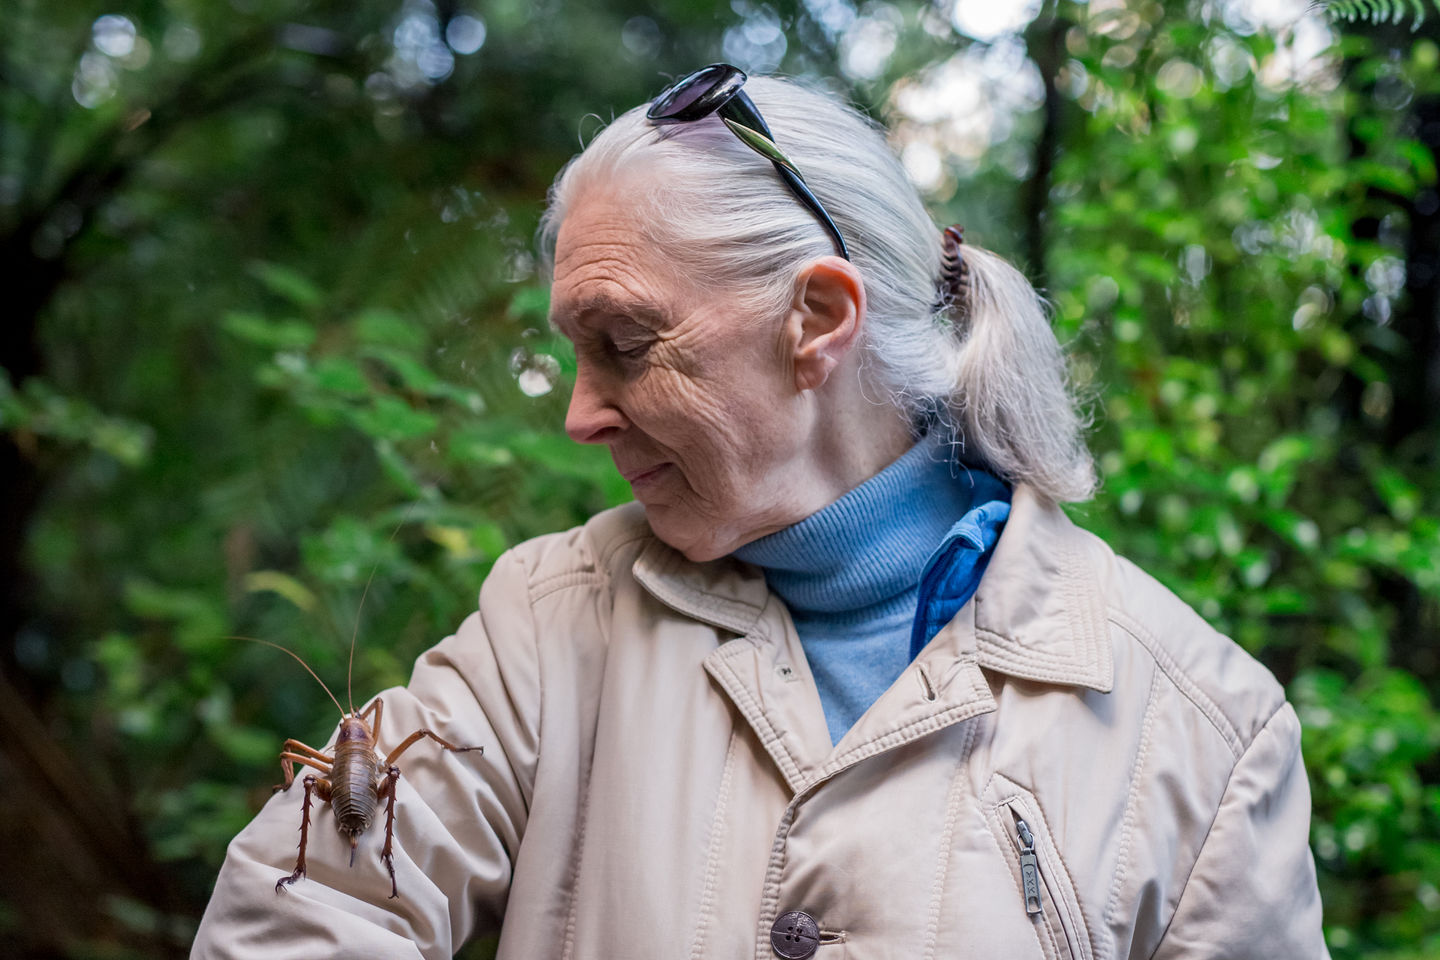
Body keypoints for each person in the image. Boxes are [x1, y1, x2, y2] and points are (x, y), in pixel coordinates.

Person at [193, 65, 1329, 959]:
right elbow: (305, 914)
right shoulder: (551, 622)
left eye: (624, 343)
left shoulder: (1203, 733)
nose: (580, 416)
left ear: (818, 320)